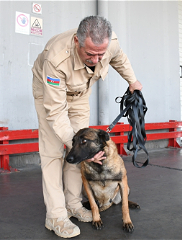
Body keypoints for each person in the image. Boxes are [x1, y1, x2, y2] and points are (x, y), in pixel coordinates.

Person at [32, 15, 142, 238]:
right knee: (54, 154)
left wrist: (132, 81)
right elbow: (55, 111)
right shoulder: (56, 60)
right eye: (90, 54)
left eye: (101, 54)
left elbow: (119, 58)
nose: (96, 59)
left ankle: (73, 204)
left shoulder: (109, 44)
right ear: (76, 41)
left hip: (81, 95)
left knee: (81, 154)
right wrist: (74, 144)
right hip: (51, 96)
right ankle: (55, 216)